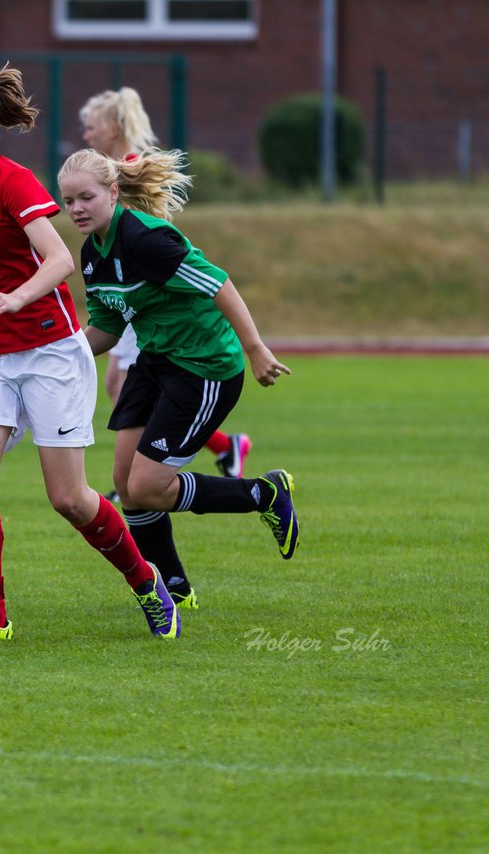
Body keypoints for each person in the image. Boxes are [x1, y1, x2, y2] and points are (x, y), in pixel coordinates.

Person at [0, 66, 180, 640]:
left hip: (49, 350)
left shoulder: (12, 181)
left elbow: (59, 260)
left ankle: (148, 584)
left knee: (70, 499)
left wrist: (17, 297)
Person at [58, 147, 299, 605]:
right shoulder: (92, 254)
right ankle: (174, 586)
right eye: (69, 201)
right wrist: (53, 352)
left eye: (86, 197)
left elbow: (219, 283)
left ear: (113, 193)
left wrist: (256, 350)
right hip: (156, 360)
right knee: (128, 485)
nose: (77, 209)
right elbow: (106, 328)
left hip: (203, 365)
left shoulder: (147, 240)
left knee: (149, 487)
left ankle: (264, 494)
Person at [79, 86, 251, 481]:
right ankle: (163, 468)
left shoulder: (120, 174)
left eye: (91, 127)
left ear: (112, 127)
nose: (86, 135)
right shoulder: (101, 177)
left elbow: (153, 241)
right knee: (118, 386)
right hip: (125, 298)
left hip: (144, 301)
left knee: (124, 386)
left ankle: (143, 477)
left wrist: (255, 348)